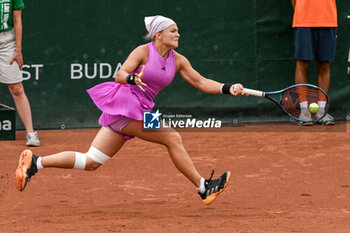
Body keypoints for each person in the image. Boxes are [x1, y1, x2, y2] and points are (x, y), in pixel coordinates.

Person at [14, 15, 245, 205]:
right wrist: (133, 79)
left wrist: (228, 88)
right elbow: (120, 75)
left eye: (178, 31)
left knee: (91, 161)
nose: (178, 34)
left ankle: (36, 162)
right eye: (173, 30)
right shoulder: (143, 51)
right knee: (173, 138)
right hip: (128, 105)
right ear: (159, 34)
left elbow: (201, 82)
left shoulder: (179, 60)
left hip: (138, 109)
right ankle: (203, 187)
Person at [0, 0, 40, 145]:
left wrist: (18, 50)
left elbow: (17, 21)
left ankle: (31, 133)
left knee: (17, 89)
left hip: (7, 42)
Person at [291, 0, 337, 126]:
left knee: (324, 64)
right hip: (303, 20)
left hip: (328, 19)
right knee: (302, 63)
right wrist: (302, 12)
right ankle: (304, 112)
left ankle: (321, 112)